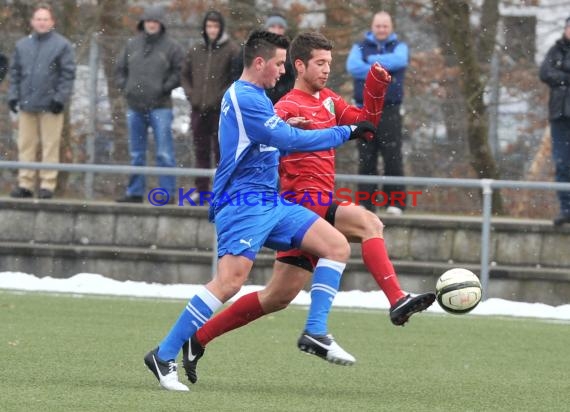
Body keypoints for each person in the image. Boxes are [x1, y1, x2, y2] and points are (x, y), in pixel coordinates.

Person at [179, 32, 435, 385]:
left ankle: (198, 338)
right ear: (299, 65)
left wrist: (375, 90)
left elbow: (365, 127)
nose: (327, 70)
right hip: (300, 202)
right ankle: (395, 300)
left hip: (313, 208)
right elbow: (271, 149)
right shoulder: (283, 106)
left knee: (277, 297)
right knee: (367, 222)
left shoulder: (329, 101)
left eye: (330, 63)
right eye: (320, 63)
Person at [143, 30, 377, 391]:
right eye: (280, 64)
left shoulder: (259, 97)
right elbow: (287, 141)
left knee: (335, 246)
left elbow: (270, 142)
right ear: (259, 62)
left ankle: (315, 332)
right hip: (243, 203)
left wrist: (287, 129)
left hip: (269, 200)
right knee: (229, 283)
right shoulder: (244, 96)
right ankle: (163, 354)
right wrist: (343, 132)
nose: (282, 72)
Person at [115, 5, 183, 203]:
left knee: (164, 153)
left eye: (155, 21)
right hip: (134, 106)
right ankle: (135, 192)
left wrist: (164, 87)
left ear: (161, 24)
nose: (151, 24)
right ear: (143, 23)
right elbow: (119, 70)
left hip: (161, 106)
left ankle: (167, 194)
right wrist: (126, 87)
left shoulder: (172, 46)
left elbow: (179, 72)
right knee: (136, 153)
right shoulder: (131, 45)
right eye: (148, 21)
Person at [8, 3, 75, 199]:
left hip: (51, 106)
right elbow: (15, 73)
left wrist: (59, 98)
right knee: (25, 145)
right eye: (38, 19)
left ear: (52, 22)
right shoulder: (22, 45)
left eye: (45, 19)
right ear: (32, 22)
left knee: (50, 146)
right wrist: (13, 96)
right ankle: (25, 184)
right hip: (27, 105)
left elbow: (68, 75)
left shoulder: (62, 45)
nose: (42, 22)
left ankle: (47, 185)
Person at [346, 11, 409, 214]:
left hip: (390, 109)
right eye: (378, 26)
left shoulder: (400, 46)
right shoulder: (359, 46)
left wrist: (371, 62)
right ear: (372, 27)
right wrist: (381, 65)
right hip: (364, 109)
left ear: (391, 28)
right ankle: (366, 203)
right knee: (366, 156)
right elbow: (353, 67)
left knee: (393, 156)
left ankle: (396, 203)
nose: (381, 29)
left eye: (385, 26)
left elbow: (400, 60)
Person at [181, 10, 241, 196]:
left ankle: (222, 190)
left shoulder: (232, 49)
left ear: (221, 27)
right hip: (198, 109)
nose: (212, 30)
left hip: (220, 111)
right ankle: (201, 190)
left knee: (221, 151)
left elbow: (235, 78)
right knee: (201, 151)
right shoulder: (196, 49)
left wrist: (221, 98)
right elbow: (184, 74)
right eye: (209, 26)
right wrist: (192, 95)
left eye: (215, 26)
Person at [539, 16, 570, 227]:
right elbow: (544, 73)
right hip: (559, 116)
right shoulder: (556, 50)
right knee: (562, 164)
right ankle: (566, 209)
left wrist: (560, 77)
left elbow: (553, 75)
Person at [263, 12, 295, 103]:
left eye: (280, 27)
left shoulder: (291, 50)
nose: (276, 30)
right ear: (267, 28)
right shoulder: (255, 46)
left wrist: (279, 92)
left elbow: (293, 78)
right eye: (273, 26)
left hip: (283, 100)